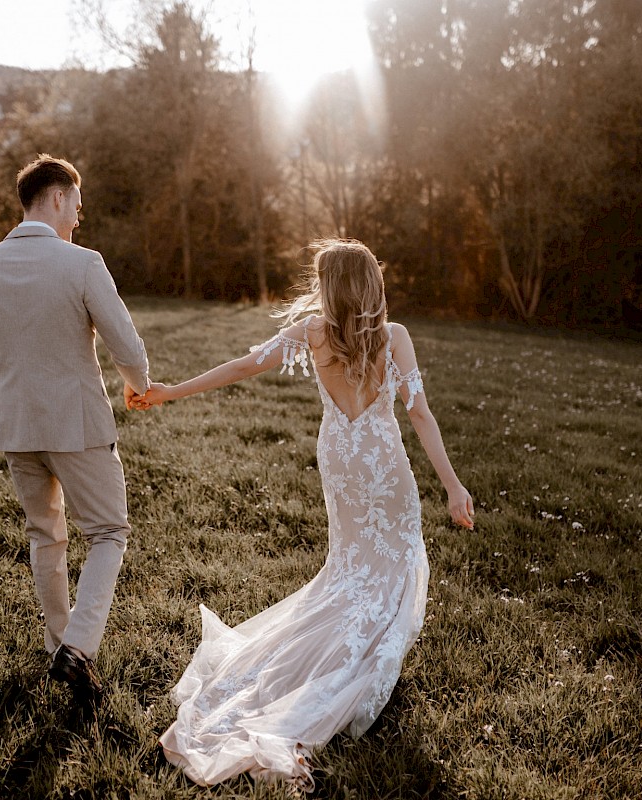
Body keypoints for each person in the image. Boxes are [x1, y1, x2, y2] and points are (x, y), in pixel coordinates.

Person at [132, 239, 474, 791]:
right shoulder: (396, 338)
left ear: (329, 288)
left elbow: (246, 366)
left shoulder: (313, 334)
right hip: (384, 468)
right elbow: (420, 413)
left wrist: (173, 391)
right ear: (371, 285)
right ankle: (337, 677)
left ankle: (335, 652)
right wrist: (453, 488)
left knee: (348, 572)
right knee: (387, 567)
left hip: (340, 462)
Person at [0, 154, 150, 707]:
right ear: (60, 196)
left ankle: (56, 645)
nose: (77, 222)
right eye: (77, 209)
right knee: (109, 533)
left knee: (46, 535)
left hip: (16, 426)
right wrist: (139, 385)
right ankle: (78, 649)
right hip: (78, 422)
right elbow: (125, 344)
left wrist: (8, 406)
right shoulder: (83, 263)